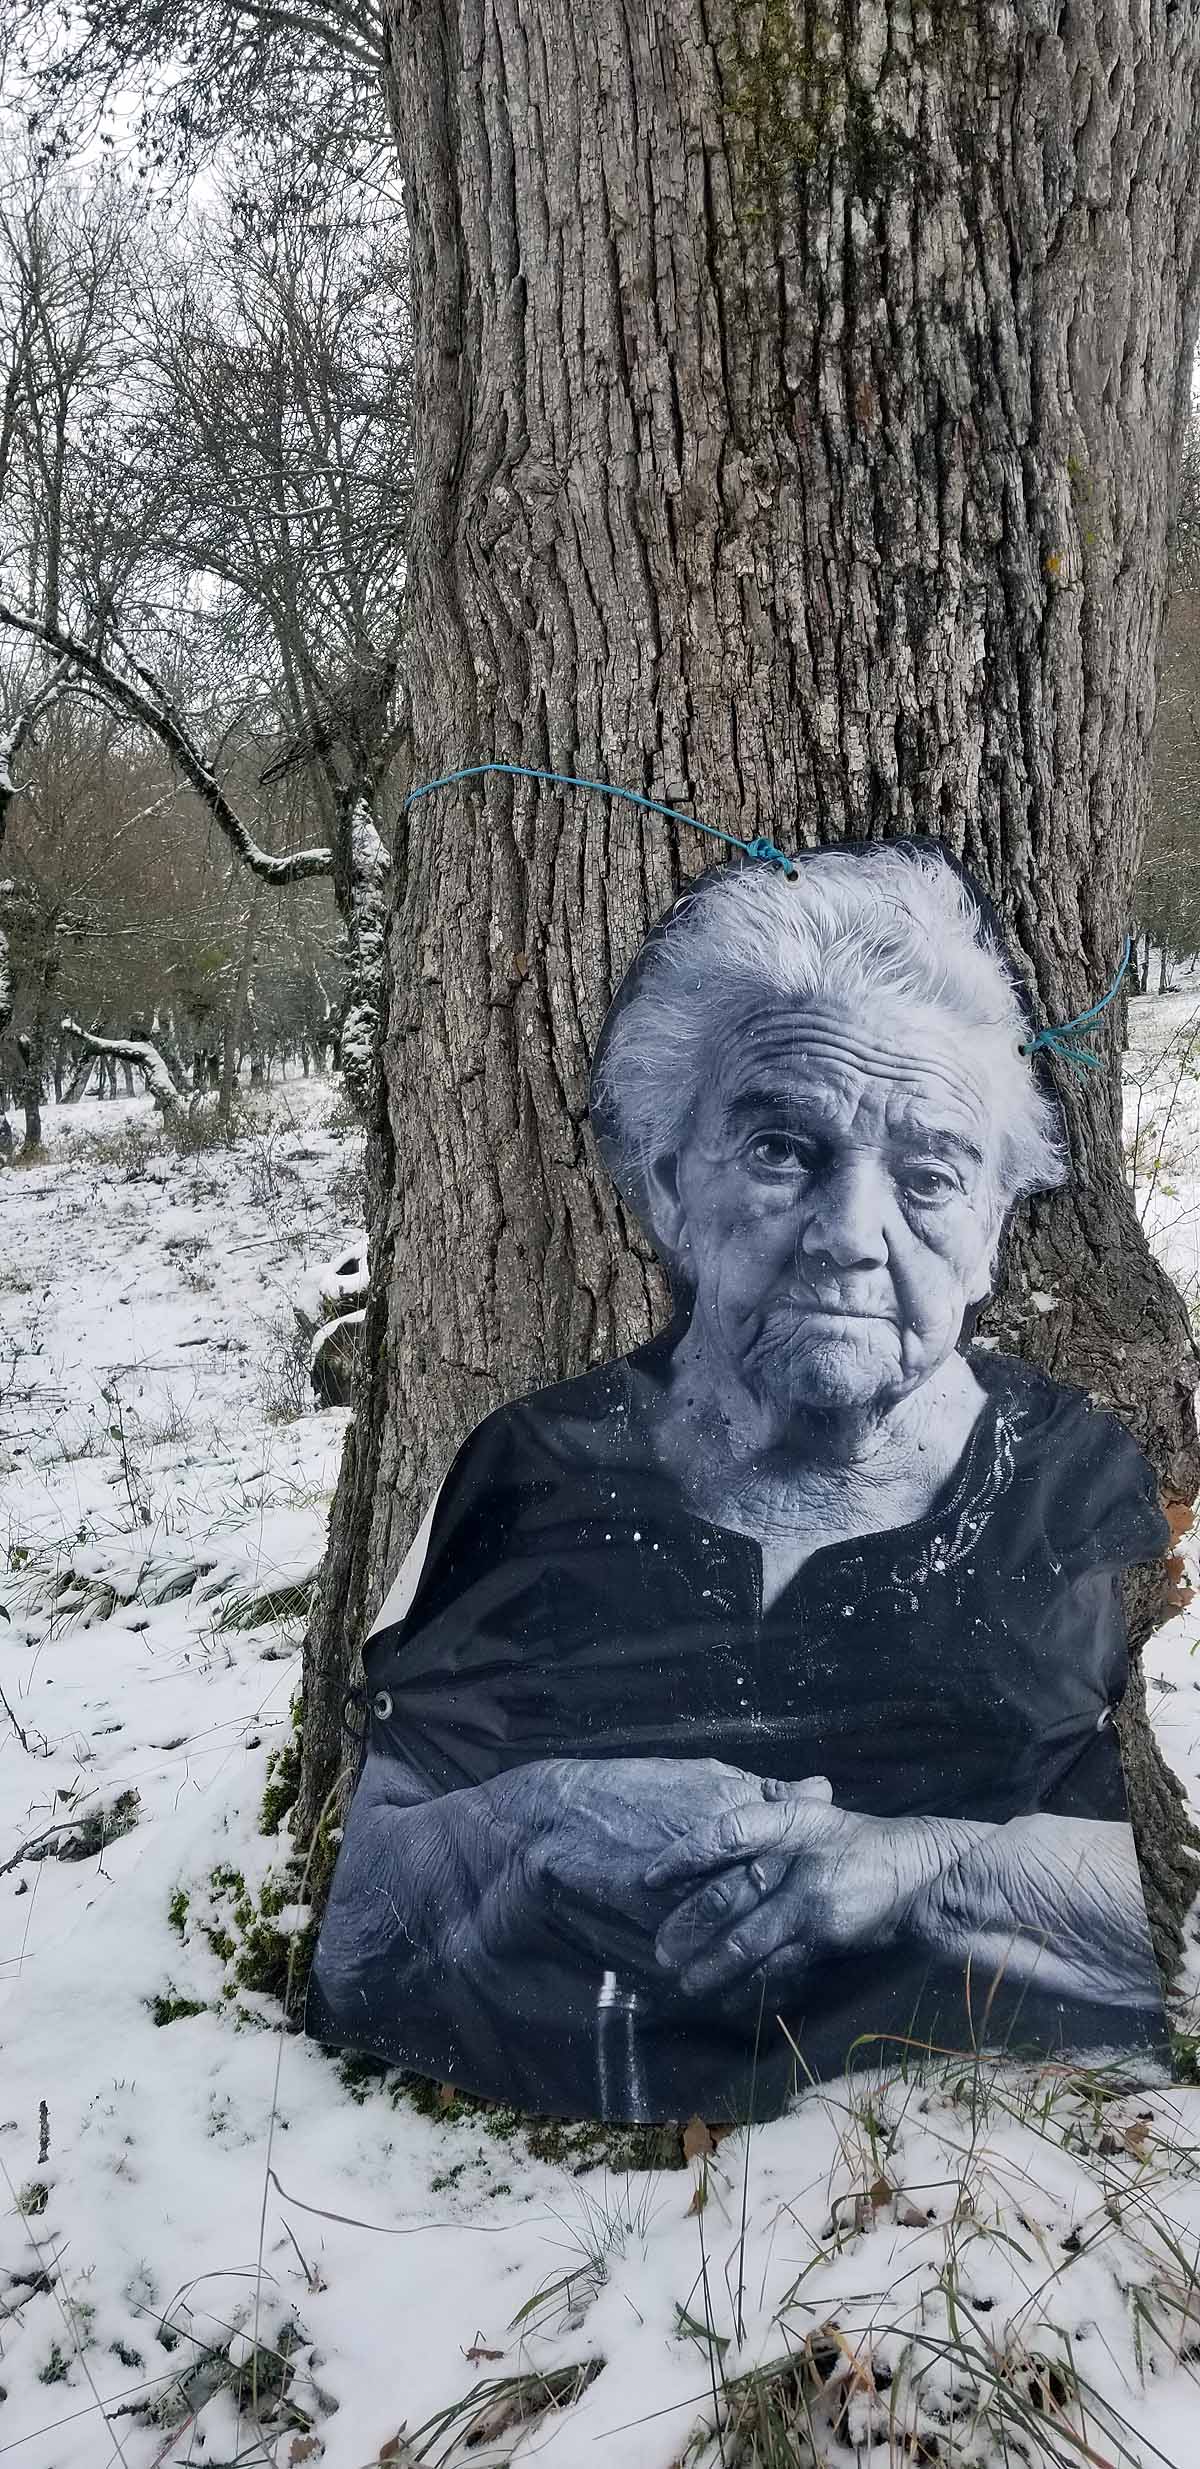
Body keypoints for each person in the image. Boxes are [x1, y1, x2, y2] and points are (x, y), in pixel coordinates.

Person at [308, 841, 1171, 2120]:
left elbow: (1153, 1871)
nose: (849, 1234)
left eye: (929, 1175)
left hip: (959, 2176)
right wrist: (533, 1829)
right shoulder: (529, 1472)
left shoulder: (1075, 1480)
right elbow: (364, 1907)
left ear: (992, 1227)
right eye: (782, 1151)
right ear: (665, 1184)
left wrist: (919, 1867)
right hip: (528, 2198)